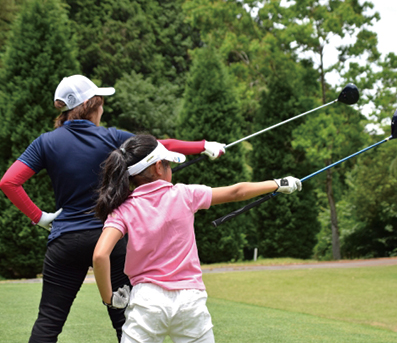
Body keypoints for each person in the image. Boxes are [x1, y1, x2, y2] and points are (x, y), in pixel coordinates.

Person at [0, 75, 226, 343]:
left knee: (49, 322)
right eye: (101, 103)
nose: (103, 108)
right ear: (93, 105)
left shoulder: (46, 142)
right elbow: (162, 145)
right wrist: (204, 146)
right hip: (111, 237)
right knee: (125, 323)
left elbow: (9, 182)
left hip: (66, 241)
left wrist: (41, 217)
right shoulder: (112, 137)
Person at [92, 134, 302, 343]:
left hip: (147, 301)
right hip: (189, 301)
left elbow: (100, 255)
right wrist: (277, 183)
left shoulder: (123, 209)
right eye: (168, 164)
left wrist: (109, 299)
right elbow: (237, 192)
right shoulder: (185, 194)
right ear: (158, 167)